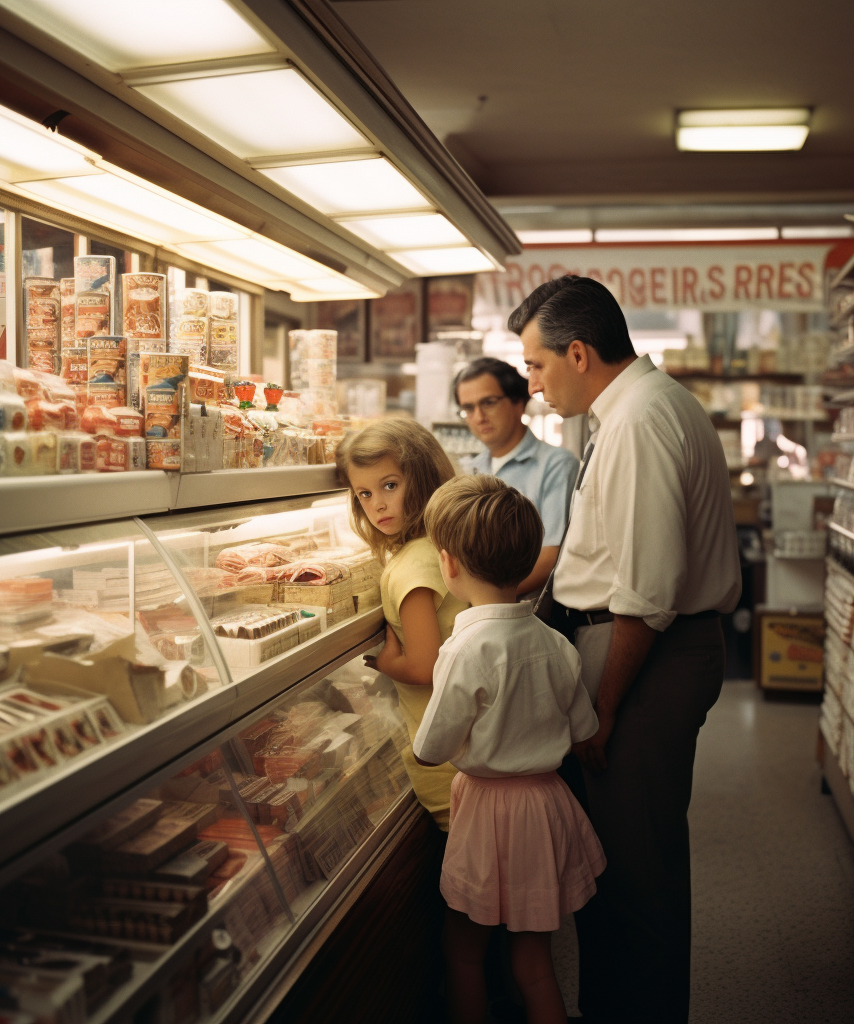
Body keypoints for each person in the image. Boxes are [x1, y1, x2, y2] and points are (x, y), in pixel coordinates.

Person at [513, 275, 742, 1024]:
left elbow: (646, 592)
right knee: (619, 865)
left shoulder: (641, 420)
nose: (533, 385)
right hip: (636, 652)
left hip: (643, 661)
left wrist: (602, 710)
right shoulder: (639, 407)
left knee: (634, 874)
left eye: (537, 366)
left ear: (578, 353)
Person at [413, 474, 604, 1024]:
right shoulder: (555, 643)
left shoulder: (464, 648)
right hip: (545, 805)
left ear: (447, 565)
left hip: (489, 813)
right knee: (535, 962)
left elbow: (431, 748)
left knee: (465, 951)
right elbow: (583, 728)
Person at [334, 419, 465, 832]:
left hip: (449, 765)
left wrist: (385, 664)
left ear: (424, 478)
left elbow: (425, 667)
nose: (377, 505)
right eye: (365, 493)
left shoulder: (410, 566)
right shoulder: (441, 546)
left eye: (390, 485)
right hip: (470, 748)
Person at [455, 356, 578, 595]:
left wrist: (487, 601)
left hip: (530, 618)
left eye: (488, 403)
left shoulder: (556, 465)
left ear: (518, 402)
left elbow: (550, 558)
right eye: (468, 408)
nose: (479, 417)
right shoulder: (468, 470)